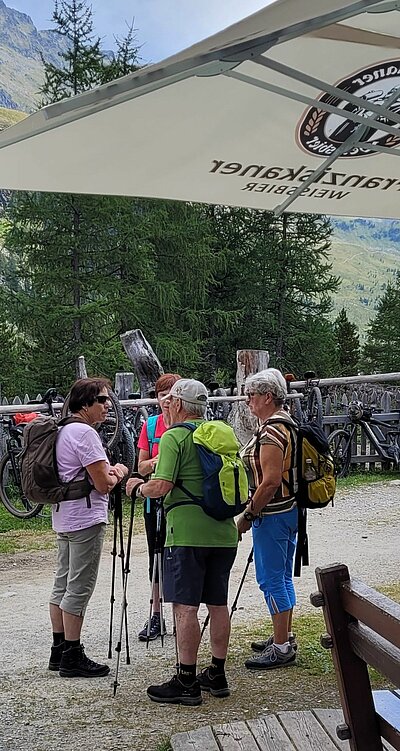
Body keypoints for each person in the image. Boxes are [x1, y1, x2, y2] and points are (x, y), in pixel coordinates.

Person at [127, 378, 238, 706]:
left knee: (185, 606)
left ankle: (186, 679)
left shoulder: (175, 436)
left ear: (177, 404)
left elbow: (161, 484)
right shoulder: (222, 433)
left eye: (169, 401)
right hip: (224, 531)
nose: (166, 405)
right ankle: (217, 673)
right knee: (218, 603)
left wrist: (136, 488)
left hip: (187, 534)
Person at [48, 377, 128, 678]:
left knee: (62, 583)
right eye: (102, 400)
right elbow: (103, 484)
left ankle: (59, 650)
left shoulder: (63, 430)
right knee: (79, 587)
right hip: (85, 518)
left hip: (64, 515)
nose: (108, 406)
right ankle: (73, 653)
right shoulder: (85, 434)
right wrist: (119, 471)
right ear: (85, 404)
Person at [237, 368, 298, 670]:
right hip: (288, 510)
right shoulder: (286, 423)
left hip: (272, 514)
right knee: (283, 576)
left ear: (268, 397)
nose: (248, 400)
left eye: (252, 395)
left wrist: (249, 514)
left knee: (271, 579)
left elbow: (271, 480)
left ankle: (281, 646)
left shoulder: (272, 431)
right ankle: (283, 635)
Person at [136, 372, 181, 641]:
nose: (165, 399)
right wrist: (158, 462)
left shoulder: (189, 426)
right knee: (155, 557)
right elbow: (140, 467)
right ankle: (156, 615)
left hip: (181, 504)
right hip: (154, 502)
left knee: (177, 557)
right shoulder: (150, 427)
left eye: (171, 393)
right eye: (161, 394)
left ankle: (180, 614)